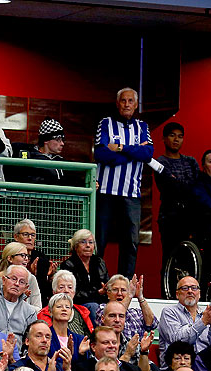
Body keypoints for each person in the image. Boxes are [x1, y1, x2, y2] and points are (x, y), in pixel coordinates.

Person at [94, 87, 152, 276]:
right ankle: (97, 281)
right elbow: (102, 154)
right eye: (123, 101)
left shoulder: (142, 127)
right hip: (105, 192)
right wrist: (133, 152)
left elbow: (148, 153)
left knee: (131, 242)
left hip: (131, 194)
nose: (127, 104)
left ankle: (124, 284)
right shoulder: (105, 123)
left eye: (130, 101)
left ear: (136, 105)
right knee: (98, 241)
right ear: (117, 103)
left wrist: (119, 148)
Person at [152, 121, 200, 252]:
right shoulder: (160, 162)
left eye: (180, 136)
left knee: (190, 255)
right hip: (170, 216)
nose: (176, 139)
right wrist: (184, 185)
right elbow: (169, 188)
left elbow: (198, 187)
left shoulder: (191, 161)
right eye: (172, 135)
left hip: (191, 215)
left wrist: (178, 182)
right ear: (164, 138)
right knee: (170, 255)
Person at [158, 276, 211, 365]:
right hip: (177, 367)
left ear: (199, 294)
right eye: (185, 288)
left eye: (194, 288)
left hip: (204, 366)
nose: (190, 291)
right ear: (177, 294)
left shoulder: (207, 314)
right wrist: (203, 322)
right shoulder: (169, 312)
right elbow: (178, 342)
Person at [0, 242, 43, 310]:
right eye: (22, 255)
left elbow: (38, 308)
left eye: (27, 256)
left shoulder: (31, 278)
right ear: (10, 258)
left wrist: (23, 302)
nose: (26, 259)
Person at [8, 119, 66, 186]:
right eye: (58, 140)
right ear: (46, 140)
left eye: (62, 140)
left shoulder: (59, 160)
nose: (62, 143)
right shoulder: (29, 156)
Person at [0, 265, 39, 338]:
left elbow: (31, 338)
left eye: (22, 282)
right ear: (4, 280)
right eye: (13, 279)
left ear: (26, 288)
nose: (17, 284)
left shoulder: (29, 312)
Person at [59, 229, 108, 307]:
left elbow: (106, 284)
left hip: (100, 302)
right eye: (83, 242)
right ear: (75, 246)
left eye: (91, 242)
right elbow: (74, 293)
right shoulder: (68, 265)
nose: (88, 245)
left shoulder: (99, 262)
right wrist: (97, 293)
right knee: (93, 306)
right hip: (78, 304)